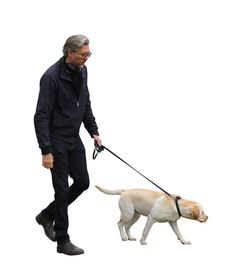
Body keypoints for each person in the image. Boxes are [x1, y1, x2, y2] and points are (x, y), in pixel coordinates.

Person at [34, 34, 102, 255]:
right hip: (56, 141)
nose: (86, 58)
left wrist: (93, 131)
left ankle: (46, 215)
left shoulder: (82, 71)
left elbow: (85, 102)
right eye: (83, 55)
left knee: (82, 182)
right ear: (69, 53)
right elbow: (41, 116)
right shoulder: (51, 78)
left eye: (88, 54)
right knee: (62, 190)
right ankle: (62, 241)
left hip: (74, 138)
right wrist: (46, 150)